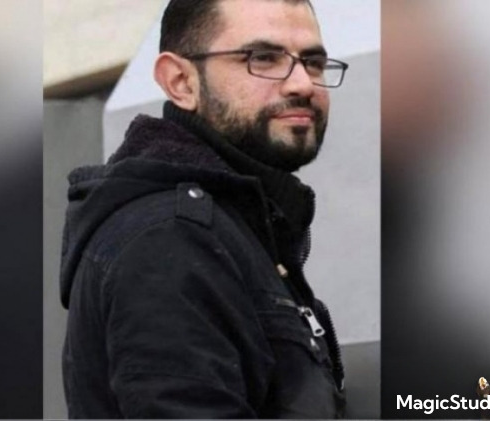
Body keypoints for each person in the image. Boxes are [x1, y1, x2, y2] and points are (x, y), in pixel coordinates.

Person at [60, 0, 348, 418]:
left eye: (313, 62)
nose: (302, 84)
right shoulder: (168, 239)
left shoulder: (238, 225)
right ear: (181, 82)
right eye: (263, 58)